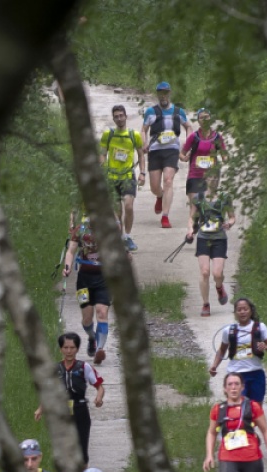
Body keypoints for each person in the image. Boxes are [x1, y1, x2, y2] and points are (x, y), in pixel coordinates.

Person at [34, 333, 105, 465]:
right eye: (65, 348)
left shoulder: (84, 367)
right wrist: (40, 409)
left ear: (77, 349)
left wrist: (99, 398)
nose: (69, 351)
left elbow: (99, 386)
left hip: (80, 410)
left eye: (72, 348)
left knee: (82, 450)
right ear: (61, 349)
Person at [61, 215, 112, 364]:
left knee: (102, 312)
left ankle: (100, 349)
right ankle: (92, 337)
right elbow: (70, 251)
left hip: (104, 278)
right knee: (87, 318)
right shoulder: (80, 230)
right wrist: (67, 267)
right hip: (84, 279)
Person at [208, 297, 267, 403]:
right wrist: (214, 365)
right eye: (239, 310)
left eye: (245, 309)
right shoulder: (229, 331)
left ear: (251, 311)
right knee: (238, 406)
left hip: (256, 373)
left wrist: (266, 347)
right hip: (235, 375)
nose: (242, 312)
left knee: (255, 408)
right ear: (235, 313)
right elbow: (222, 350)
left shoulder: (260, 327)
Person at [183, 184, 237, 317]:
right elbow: (192, 217)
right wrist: (190, 230)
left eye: (215, 177)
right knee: (205, 272)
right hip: (203, 237)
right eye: (210, 177)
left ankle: (219, 287)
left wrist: (229, 223)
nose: (213, 179)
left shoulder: (225, 197)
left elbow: (232, 217)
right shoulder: (198, 198)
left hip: (219, 238)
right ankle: (206, 304)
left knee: (217, 274)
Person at [141, 82, 189, 229]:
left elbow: (189, 127)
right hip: (155, 150)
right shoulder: (151, 112)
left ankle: (165, 216)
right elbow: (143, 130)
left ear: (169, 93)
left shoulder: (179, 112)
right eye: (160, 93)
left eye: (165, 93)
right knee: (154, 186)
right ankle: (159, 196)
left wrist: (187, 145)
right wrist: (144, 143)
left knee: (168, 181)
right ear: (157, 94)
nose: (163, 96)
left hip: (172, 150)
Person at [99, 104, 146, 251]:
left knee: (129, 206)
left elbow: (141, 155)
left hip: (128, 176)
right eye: (116, 117)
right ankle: (120, 239)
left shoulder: (134, 135)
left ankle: (127, 236)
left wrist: (142, 173)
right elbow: (102, 154)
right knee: (117, 212)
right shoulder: (108, 134)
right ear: (113, 119)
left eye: (121, 116)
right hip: (112, 177)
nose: (119, 119)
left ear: (126, 116)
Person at [180, 109, 228, 216]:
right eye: (201, 117)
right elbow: (182, 154)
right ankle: (192, 226)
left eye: (206, 117)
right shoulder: (194, 137)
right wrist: (184, 158)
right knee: (194, 208)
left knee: (206, 205)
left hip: (211, 176)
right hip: (194, 175)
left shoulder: (217, 137)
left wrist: (225, 158)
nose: (204, 119)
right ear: (198, 120)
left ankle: (205, 225)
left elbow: (224, 154)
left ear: (210, 119)